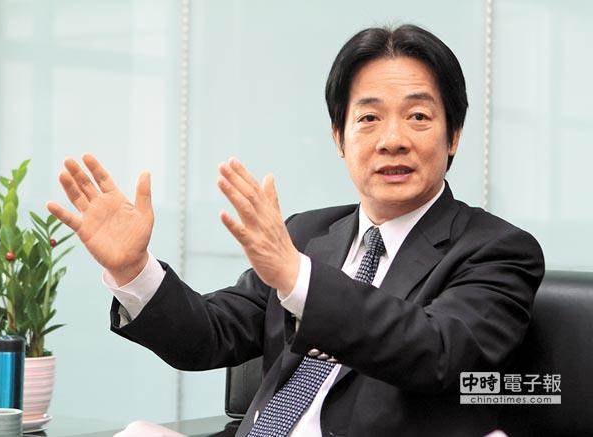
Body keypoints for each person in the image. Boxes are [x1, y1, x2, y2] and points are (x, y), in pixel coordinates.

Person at [47, 24, 545, 437]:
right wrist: (133, 270)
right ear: (339, 138)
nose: (392, 140)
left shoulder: (498, 251)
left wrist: (299, 279)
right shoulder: (308, 234)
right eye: (369, 118)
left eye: (418, 116)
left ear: (453, 135)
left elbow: (438, 353)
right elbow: (208, 336)